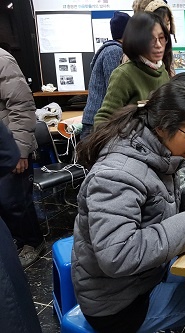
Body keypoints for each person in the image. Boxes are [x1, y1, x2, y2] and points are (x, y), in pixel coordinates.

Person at [72, 77, 185, 333]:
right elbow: (118, 254)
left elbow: (159, 202)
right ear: (163, 126)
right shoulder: (117, 174)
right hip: (119, 305)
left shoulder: (152, 150)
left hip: (143, 279)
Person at [0, 47, 45, 268]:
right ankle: (15, 243)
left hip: (10, 148)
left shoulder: (2, 60)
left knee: (15, 202)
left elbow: (22, 106)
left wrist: (19, 151)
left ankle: (33, 243)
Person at [0, 122, 42, 333]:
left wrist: (22, 152)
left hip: (17, 150)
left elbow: (21, 115)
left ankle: (33, 243)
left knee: (18, 205)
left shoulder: (12, 86)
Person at [93, 12, 170, 125]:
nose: (158, 44)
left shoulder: (163, 72)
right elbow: (103, 120)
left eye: (161, 38)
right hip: (130, 140)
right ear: (137, 41)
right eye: (150, 39)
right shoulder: (124, 74)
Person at [80, 11, 130, 140]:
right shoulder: (114, 51)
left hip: (98, 121)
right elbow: (114, 88)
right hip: (97, 123)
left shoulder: (111, 49)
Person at [132, 0, 176, 77]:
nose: (164, 27)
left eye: (167, 23)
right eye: (160, 23)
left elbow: (170, 75)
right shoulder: (134, 52)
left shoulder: (167, 47)